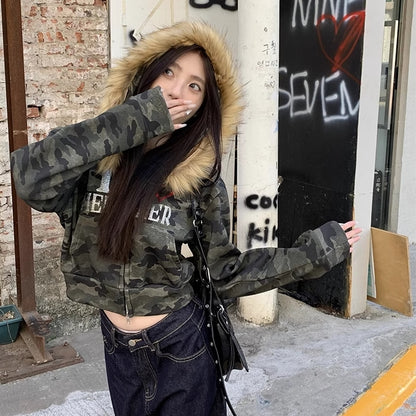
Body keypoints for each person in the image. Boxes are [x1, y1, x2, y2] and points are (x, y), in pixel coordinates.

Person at [11, 21, 361, 416]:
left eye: (195, 86)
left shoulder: (200, 182)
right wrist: (134, 120)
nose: (177, 90)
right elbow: (29, 178)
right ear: (144, 75)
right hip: (118, 349)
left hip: (180, 345)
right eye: (168, 71)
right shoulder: (92, 160)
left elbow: (225, 273)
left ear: (203, 105)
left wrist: (312, 254)